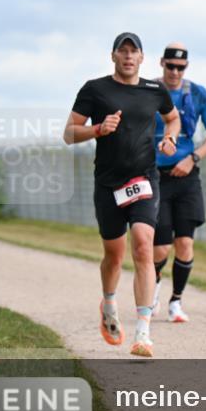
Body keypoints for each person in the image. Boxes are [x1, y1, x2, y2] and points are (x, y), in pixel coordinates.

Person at [63, 32, 180, 358]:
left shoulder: (155, 90)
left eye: (134, 52)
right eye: (123, 51)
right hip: (108, 184)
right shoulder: (95, 89)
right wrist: (98, 129)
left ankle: (143, 332)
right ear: (113, 56)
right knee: (114, 255)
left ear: (142, 58)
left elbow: (172, 118)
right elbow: (69, 133)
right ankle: (109, 303)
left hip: (144, 179)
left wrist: (170, 138)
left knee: (143, 245)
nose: (128, 56)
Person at [150, 43, 206, 323]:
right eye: (170, 66)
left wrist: (193, 158)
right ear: (162, 63)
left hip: (187, 175)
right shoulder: (149, 90)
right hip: (155, 175)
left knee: (185, 242)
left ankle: (176, 301)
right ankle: (153, 286)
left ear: (186, 67)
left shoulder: (198, 93)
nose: (175, 72)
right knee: (160, 247)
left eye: (180, 67)